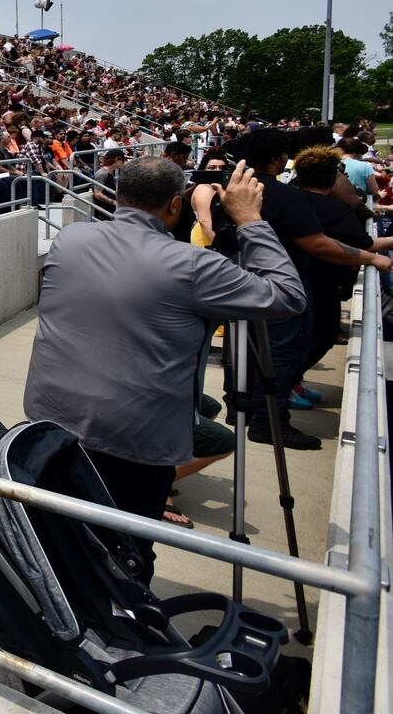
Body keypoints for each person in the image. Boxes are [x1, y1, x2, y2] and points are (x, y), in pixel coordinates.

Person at [23, 157, 306, 582]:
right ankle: (120, 622)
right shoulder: (193, 267)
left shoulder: (72, 238)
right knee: (126, 553)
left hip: (52, 421)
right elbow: (287, 296)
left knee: (62, 535)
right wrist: (249, 221)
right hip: (132, 439)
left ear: (120, 196)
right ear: (176, 206)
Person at [238, 128, 391, 448]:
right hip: (284, 285)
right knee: (284, 355)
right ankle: (269, 422)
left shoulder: (236, 189)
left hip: (244, 283)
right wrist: (371, 259)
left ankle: (255, 415)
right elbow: (317, 244)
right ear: (279, 159)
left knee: (255, 355)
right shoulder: (284, 196)